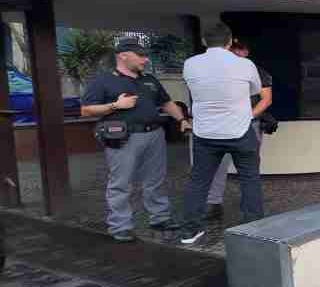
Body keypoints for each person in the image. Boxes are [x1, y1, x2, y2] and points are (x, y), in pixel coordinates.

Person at [81, 40, 191, 242]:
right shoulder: (103, 81)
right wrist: (115, 105)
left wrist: (182, 120)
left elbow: (166, 103)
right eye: (140, 55)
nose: (145, 59)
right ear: (123, 55)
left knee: (155, 180)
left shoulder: (149, 79)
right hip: (124, 138)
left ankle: (160, 218)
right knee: (121, 183)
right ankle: (120, 227)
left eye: (145, 55)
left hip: (154, 135)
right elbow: (86, 110)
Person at [179, 23, 263, 245]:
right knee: (250, 179)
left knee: (198, 181)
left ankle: (190, 231)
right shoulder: (245, 64)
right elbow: (255, 90)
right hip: (240, 131)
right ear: (230, 41)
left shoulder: (190, 64)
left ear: (204, 42)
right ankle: (253, 228)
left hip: (205, 134)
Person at [204, 40, 272, 221]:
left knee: (249, 169)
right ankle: (213, 203)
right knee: (218, 165)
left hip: (248, 125)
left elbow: (266, 99)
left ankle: (250, 211)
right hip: (221, 124)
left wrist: (247, 116)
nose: (239, 56)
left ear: (246, 53)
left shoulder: (258, 72)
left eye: (241, 53)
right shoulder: (217, 72)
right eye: (235, 53)